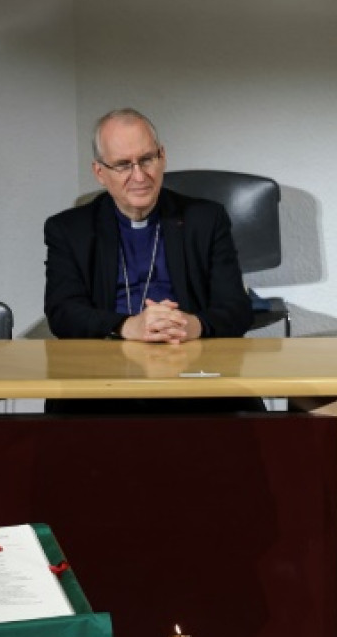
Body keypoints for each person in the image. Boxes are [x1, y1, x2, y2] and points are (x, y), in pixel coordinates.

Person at [43, 108, 258, 413]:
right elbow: (62, 312)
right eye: (122, 165)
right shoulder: (69, 229)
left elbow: (236, 308)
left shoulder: (205, 219)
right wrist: (128, 326)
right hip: (106, 370)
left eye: (146, 159)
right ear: (100, 172)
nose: (139, 176)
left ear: (163, 157)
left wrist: (192, 324)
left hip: (190, 366)